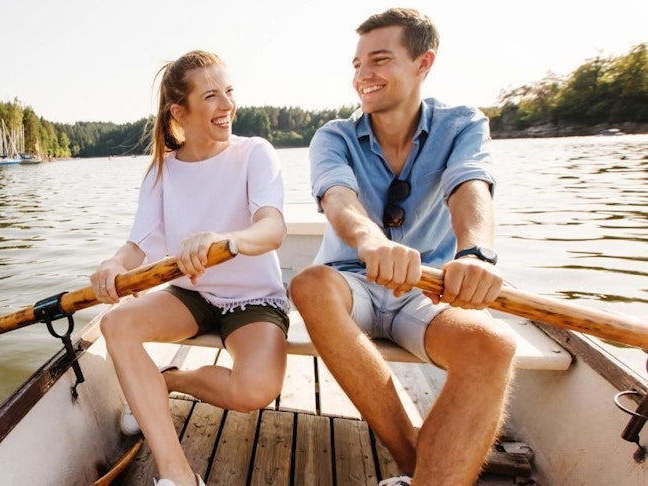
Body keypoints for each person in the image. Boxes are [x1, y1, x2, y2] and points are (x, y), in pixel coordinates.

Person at [289, 8, 516, 486]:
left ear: (423, 62)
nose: (362, 75)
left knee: (493, 345)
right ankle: (412, 459)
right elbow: (338, 198)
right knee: (310, 285)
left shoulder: (462, 125)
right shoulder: (334, 136)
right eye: (356, 64)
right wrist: (371, 240)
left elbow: (470, 186)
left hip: (427, 289)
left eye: (379, 59)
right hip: (354, 282)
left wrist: (474, 253)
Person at [90, 50, 290, 486]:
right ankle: (176, 474)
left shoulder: (256, 152)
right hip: (192, 294)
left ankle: (173, 381)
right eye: (212, 95)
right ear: (181, 111)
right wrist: (112, 265)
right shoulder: (162, 170)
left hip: (252, 297)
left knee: (253, 391)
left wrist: (227, 241)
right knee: (118, 324)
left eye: (230, 92)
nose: (228, 105)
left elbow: (272, 229)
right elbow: (137, 246)